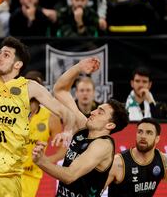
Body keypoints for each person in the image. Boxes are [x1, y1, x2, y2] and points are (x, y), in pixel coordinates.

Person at [0, 3, 76, 197]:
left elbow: (66, 113)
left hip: (11, 176)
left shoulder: (30, 88)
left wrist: (68, 130)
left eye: (6, 55)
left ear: (18, 64)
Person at [32, 57, 129, 197]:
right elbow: (60, 91)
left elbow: (70, 175)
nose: (93, 112)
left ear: (110, 125)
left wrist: (41, 161)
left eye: (100, 112)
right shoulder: (84, 127)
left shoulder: (103, 145)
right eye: (97, 109)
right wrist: (78, 68)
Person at [22, 70, 66, 197]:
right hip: (9, 173)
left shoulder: (50, 116)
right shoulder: (12, 111)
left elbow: (64, 148)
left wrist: (47, 161)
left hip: (32, 176)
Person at [106, 118, 167, 196]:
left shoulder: (163, 160)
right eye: (140, 132)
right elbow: (95, 191)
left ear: (157, 139)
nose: (143, 136)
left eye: (149, 133)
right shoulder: (118, 162)